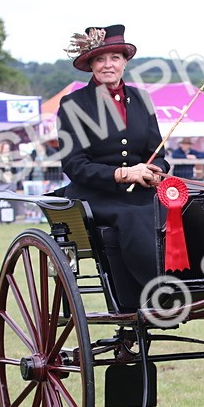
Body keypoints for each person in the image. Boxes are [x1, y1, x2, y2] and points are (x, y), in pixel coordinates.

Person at [58, 23, 168, 311]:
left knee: (185, 209)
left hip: (142, 189)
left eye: (115, 58)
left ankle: (199, 283)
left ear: (125, 62)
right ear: (91, 65)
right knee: (133, 216)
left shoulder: (142, 100)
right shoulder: (73, 105)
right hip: (95, 194)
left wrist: (155, 170)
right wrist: (122, 174)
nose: (108, 65)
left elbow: (159, 153)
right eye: (100, 59)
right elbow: (73, 164)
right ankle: (155, 293)